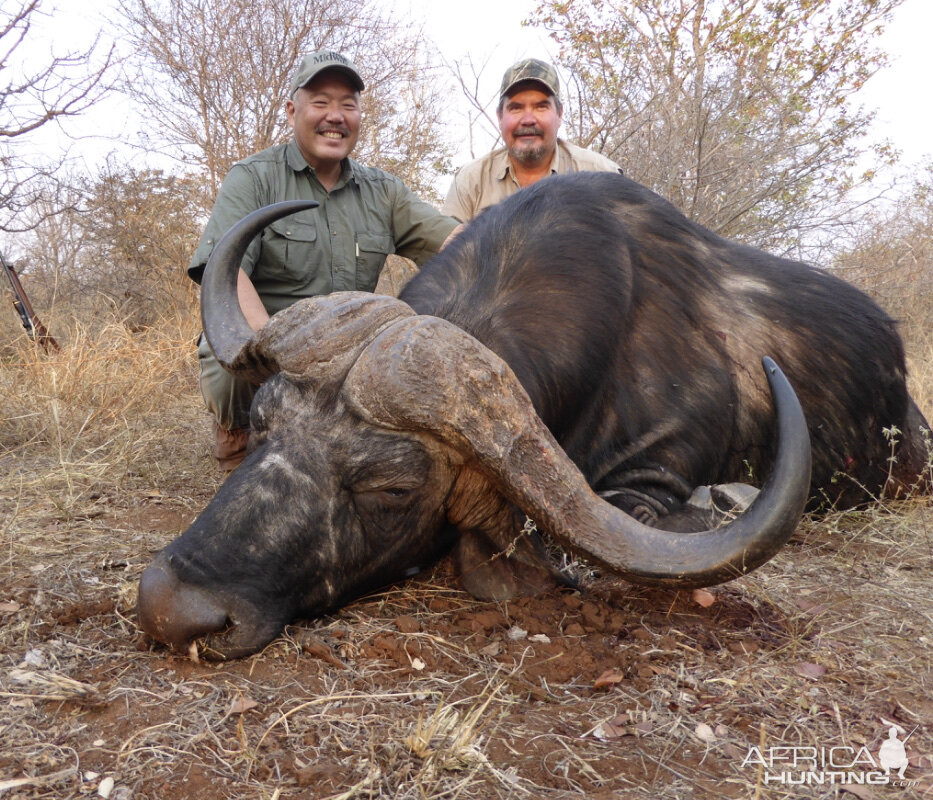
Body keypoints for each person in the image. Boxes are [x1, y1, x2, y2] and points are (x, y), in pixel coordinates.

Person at [188, 51, 460, 470]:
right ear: (293, 110)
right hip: (274, 351)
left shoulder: (384, 190)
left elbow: (456, 244)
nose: (335, 115)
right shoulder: (254, 177)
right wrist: (270, 351)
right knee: (230, 351)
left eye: (347, 104)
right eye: (320, 101)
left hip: (350, 350)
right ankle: (238, 444)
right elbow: (224, 269)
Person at [443, 58, 621, 221]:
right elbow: (449, 251)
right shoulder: (471, 181)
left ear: (559, 114)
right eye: (516, 108)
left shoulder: (602, 174)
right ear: (500, 117)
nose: (528, 119)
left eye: (541, 107)